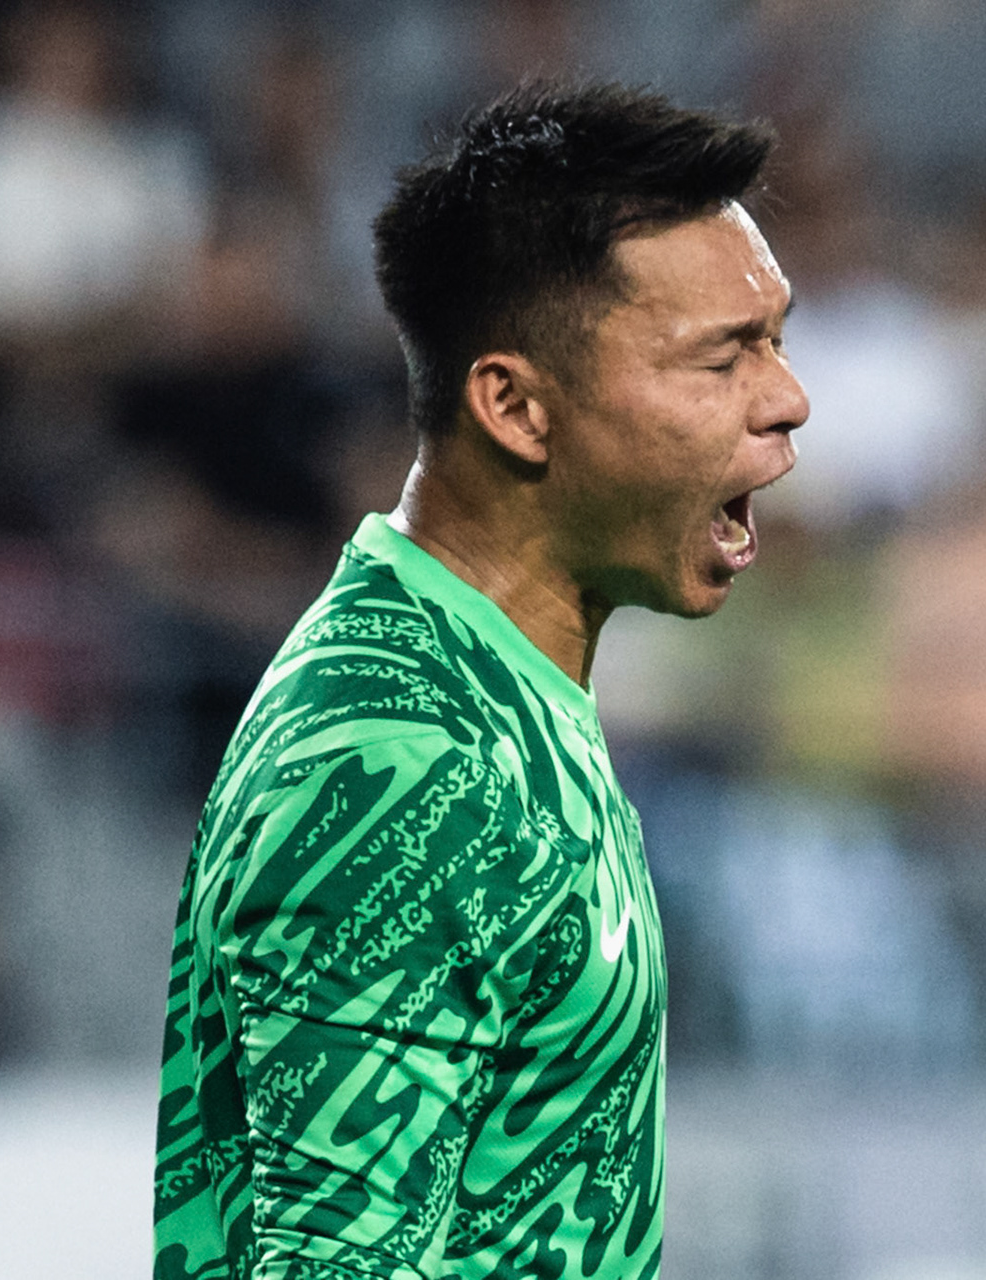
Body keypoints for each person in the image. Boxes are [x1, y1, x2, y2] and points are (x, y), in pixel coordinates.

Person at [152, 82, 807, 1280]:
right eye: (721, 359)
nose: (786, 399)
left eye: (775, 339)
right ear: (513, 404)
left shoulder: (491, 686)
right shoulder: (397, 760)